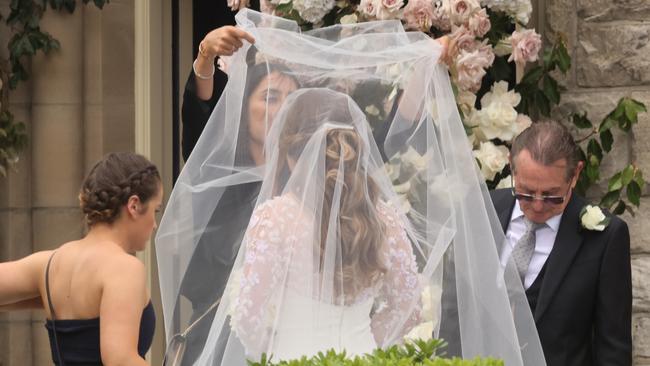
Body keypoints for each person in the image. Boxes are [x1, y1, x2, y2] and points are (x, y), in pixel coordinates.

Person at [156, 9, 546, 366]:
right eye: (271, 98)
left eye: (290, 100)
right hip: (215, 321)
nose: (281, 110)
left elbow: (390, 135)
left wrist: (425, 65)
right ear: (244, 107)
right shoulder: (227, 165)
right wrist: (206, 57)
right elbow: (197, 121)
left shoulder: (336, 184)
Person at [491, 120, 632, 365]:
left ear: (575, 174)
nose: (536, 205)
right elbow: (453, 313)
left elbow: (613, 348)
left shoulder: (606, 237)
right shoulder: (482, 210)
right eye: (525, 192)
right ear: (511, 168)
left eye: (551, 195)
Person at [0, 152, 162, 365]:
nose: (155, 224)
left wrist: (48, 296)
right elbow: (120, 359)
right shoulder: (124, 268)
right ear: (133, 206)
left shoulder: (49, 264)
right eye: (155, 211)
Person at [183, 25, 255, 160]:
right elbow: (197, 114)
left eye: (288, 97)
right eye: (271, 97)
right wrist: (206, 53)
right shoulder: (220, 160)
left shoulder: (298, 162)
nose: (283, 107)